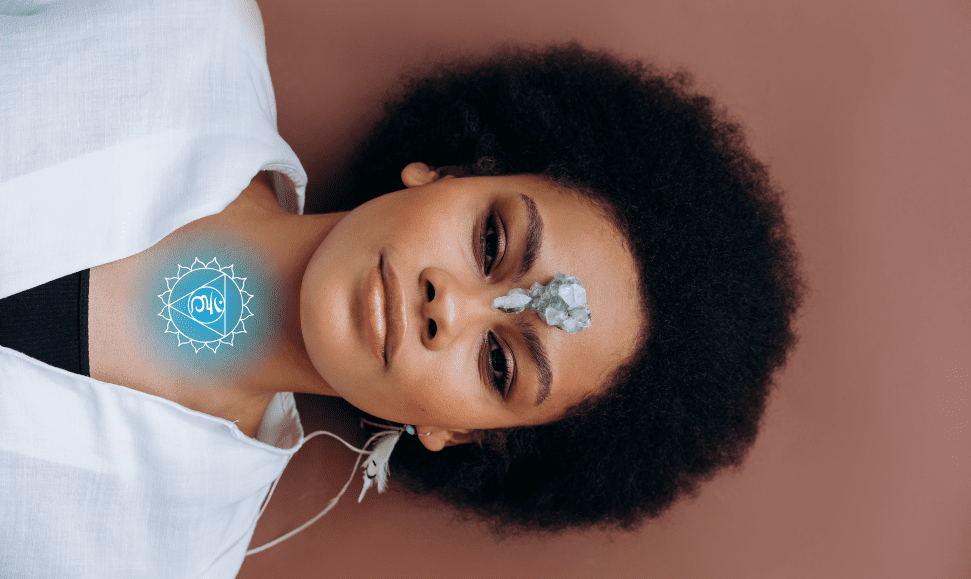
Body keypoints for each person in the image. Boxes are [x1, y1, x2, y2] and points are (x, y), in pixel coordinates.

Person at [0, 0, 806, 576]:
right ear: (448, 169)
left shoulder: (164, 560)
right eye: (491, 240)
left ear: (452, 432)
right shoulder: (176, 23)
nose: (447, 305)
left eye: (498, 363)